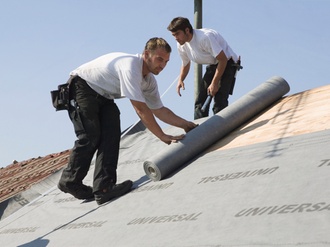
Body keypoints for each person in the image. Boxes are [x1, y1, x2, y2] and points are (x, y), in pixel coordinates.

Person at [57, 37, 198, 205]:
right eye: (159, 59)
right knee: (90, 135)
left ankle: (104, 188)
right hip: (82, 87)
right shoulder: (131, 66)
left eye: (166, 61)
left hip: (104, 96)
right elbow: (140, 108)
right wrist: (161, 135)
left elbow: (159, 110)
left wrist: (187, 125)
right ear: (146, 54)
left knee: (112, 135)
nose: (162, 65)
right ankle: (70, 181)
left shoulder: (149, 81)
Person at [167, 17, 242, 119]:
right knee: (201, 100)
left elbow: (223, 60)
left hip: (228, 63)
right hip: (213, 64)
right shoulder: (181, 45)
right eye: (173, 35)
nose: (175, 38)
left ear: (187, 30)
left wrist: (215, 83)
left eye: (177, 34)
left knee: (219, 99)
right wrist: (181, 79)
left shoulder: (205, 38)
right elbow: (185, 63)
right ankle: (200, 129)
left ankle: (221, 129)